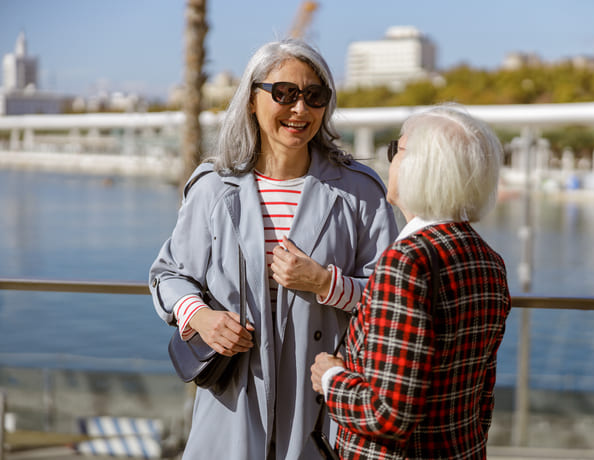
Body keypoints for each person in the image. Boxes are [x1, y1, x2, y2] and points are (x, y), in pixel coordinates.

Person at [149, 38, 397, 460]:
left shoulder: (360, 191)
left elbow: (391, 298)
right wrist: (203, 318)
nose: (300, 109)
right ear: (251, 99)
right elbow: (169, 275)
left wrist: (325, 283)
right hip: (232, 398)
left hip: (322, 397)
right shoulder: (212, 187)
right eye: (284, 93)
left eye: (314, 96)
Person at [311, 104, 512, 460]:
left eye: (397, 150)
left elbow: (388, 415)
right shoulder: (489, 261)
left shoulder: (406, 262)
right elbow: (482, 395)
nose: (390, 160)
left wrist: (331, 379)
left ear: (423, 169)